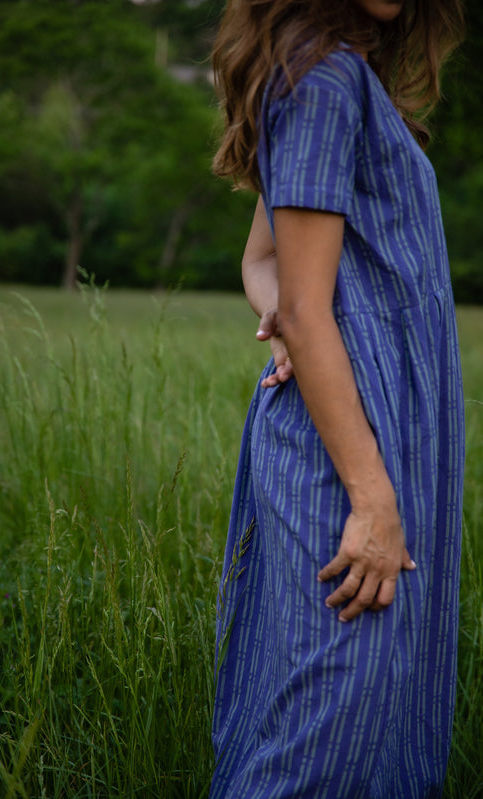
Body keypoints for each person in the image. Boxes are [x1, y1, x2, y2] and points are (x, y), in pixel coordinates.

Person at [210, 1, 465, 797]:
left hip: (372, 435)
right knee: (329, 730)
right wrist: (370, 494)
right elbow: (303, 299)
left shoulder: (334, 75)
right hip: (349, 449)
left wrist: (281, 322)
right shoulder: (320, 79)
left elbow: (262, 265)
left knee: (363, 720)